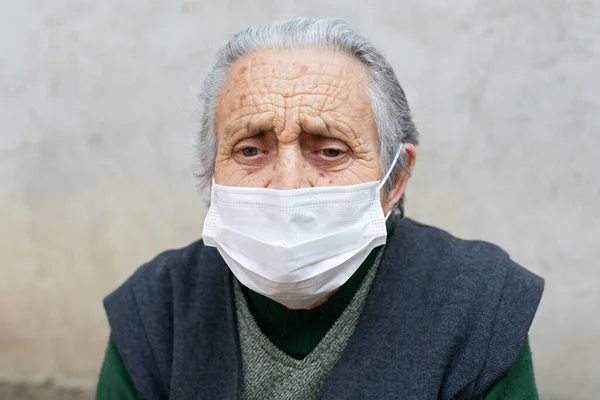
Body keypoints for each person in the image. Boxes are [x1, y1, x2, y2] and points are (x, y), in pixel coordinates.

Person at [96, 17, 544, 400]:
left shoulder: (479, 309)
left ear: (396, 179)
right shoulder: (156, 312)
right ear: (211, 171)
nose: (288, 185)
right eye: (250, 151)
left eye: (330, 151)